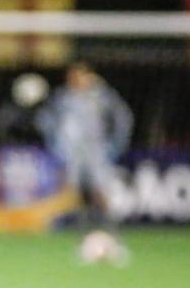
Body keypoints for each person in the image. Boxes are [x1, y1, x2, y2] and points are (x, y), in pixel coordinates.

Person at [36, 61, 133, 263]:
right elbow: (46, 120)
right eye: (72, 76)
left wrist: (114, 146)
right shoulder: (63, 98)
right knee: (76, 197)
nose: (75, 80)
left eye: (79, 75)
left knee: (101, 195)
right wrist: (57, 146)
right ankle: (84, 243)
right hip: (73, 155)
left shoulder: (102, 96)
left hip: (96, 152)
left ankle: (115, 240)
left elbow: (122, 119)